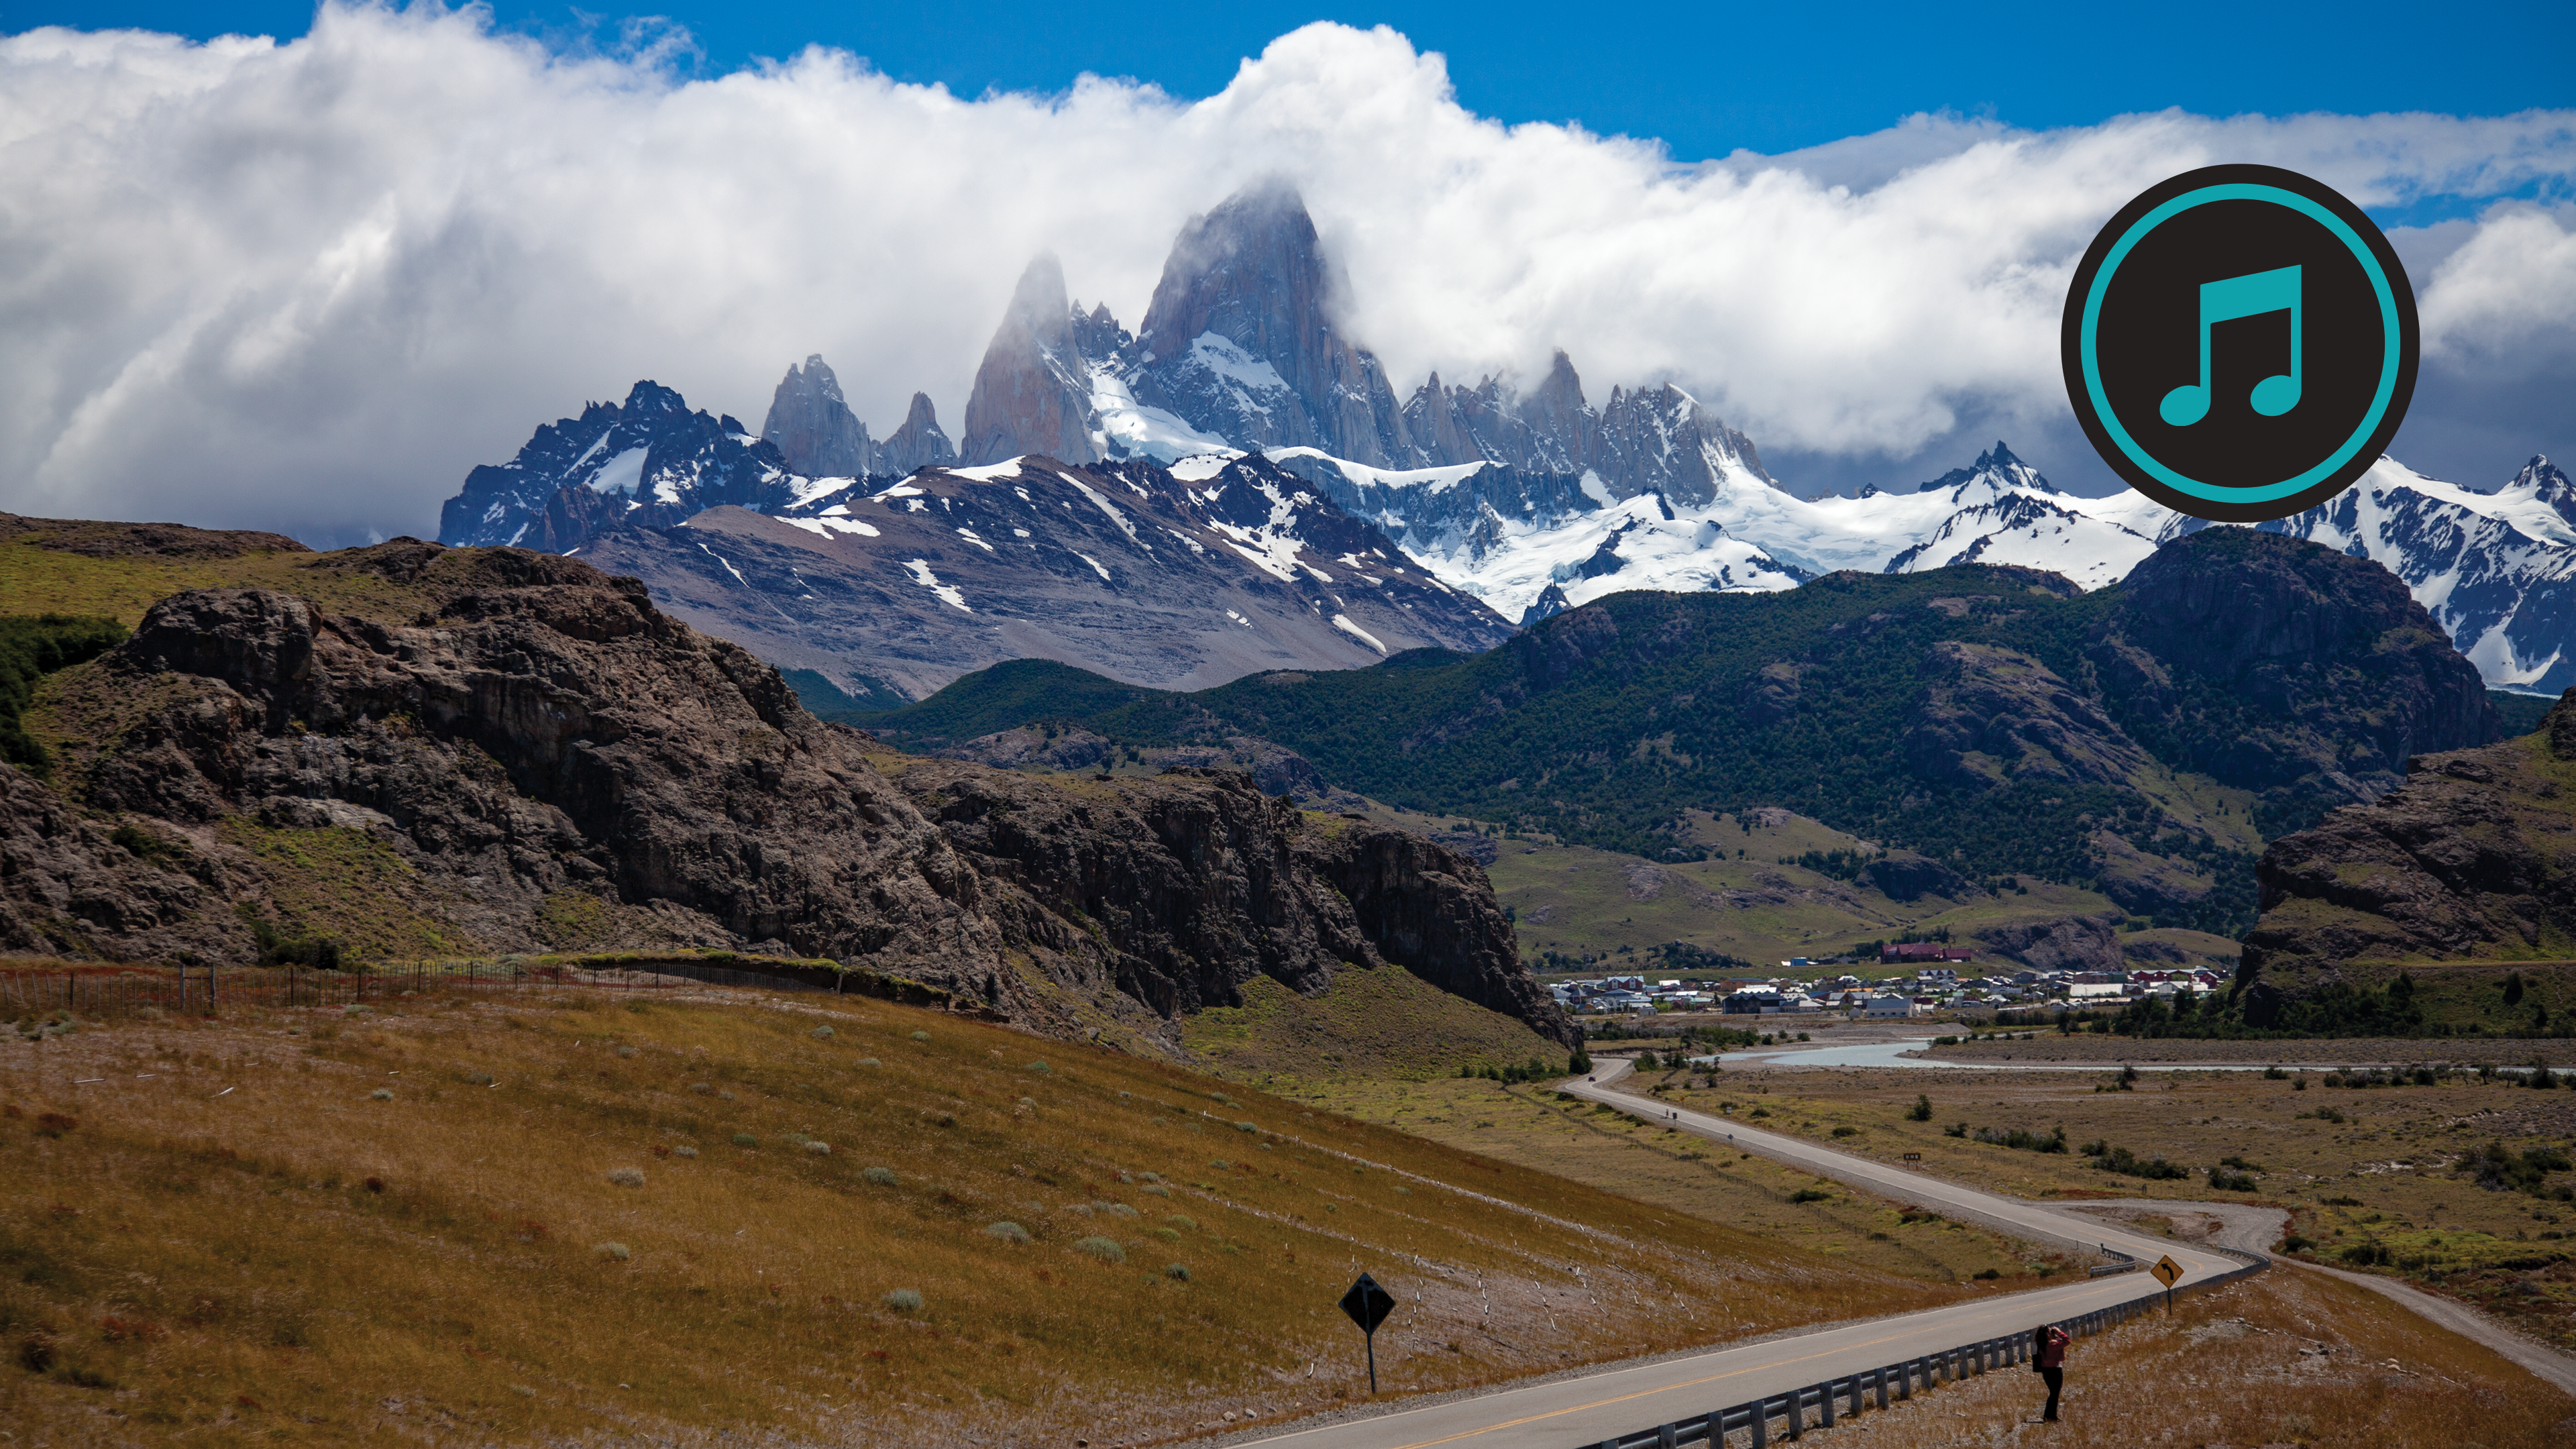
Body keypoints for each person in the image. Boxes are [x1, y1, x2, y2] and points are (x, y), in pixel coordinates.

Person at [2032, 1322, 2070, 1422]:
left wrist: (2054, 1335)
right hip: (2055, 1370)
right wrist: (2059, 1332)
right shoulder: (2052, 1345)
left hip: (2046, 1371)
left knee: (2053, 1393)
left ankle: (2050, 1415)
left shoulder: (2042, 1344)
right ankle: (2050, 1416)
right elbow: (2067, 1341)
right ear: (2047, 1334)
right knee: (2055, 1394)